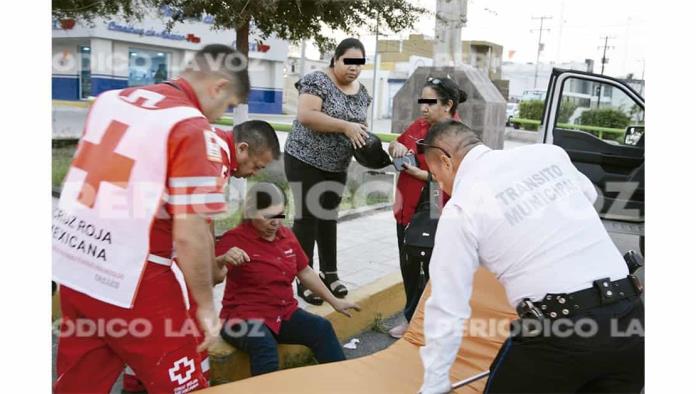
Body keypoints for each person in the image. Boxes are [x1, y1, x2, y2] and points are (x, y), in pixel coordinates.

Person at [53, 44, 251, 393]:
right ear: (218, 86)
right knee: (184, 384)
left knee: (80, 384)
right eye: (228, 105)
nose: (220, 116)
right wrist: (206, 307)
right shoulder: (192, 128)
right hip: (134, 279)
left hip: (76, 265)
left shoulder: (109, 100)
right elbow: (190, 233)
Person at [417, 120, 644, 393]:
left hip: (561, 333)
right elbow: (587, 196)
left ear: (445, 161)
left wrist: (435, 382)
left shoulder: (462, 207)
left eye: (437, 176)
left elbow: (447, 305)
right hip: (631, 319)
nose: (441, 185)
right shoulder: (548, 154)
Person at [122, 121, 280, 392]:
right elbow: (195, 230)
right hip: (153, 255)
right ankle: (193, 383)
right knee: (193, 325)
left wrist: (212, 258)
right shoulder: (215, 162)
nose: (253, 174)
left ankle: (135, 383)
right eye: (256, 166)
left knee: (147, 331)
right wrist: (210, 272)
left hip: (134, 248)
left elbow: (205, 220)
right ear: (242, 149)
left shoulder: (213, 143)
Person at [215, 182, 361, 376]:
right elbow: (213, 278)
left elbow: (305, 272)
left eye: (279, 214)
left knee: (321, 328)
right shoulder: (234, 239)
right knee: (265, 346)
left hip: (282, 312)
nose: (275, 222)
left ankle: (344, 384)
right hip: (242, 317)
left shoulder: (286, 235)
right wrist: (221, 260)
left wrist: (334, 302)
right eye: (268, 217)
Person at [284, 38, 372, 305]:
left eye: (359, 63)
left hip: (337, 164)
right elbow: (307, 115)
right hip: (304, 158)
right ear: (335, 59)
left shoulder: (362, 91)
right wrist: (345, 127)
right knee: (308, 218)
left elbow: (360, 125)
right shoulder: (316, 81)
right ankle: (305, 278)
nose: (354, 68)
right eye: (348, 62)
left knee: (328, 218)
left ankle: (330, 274)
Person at [387, 76, 467, 339]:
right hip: (407, 204)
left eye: (430, 102)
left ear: (447, 105)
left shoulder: (458, 135)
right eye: (422, 100)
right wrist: (396, 146)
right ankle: (412, 319)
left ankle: (434, 324)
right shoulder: (418, 126)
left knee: (435, 267)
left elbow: (455, 177)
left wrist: (420, 173)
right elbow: (395, 144)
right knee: (408, 262)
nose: (423, 106)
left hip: (436, 202)